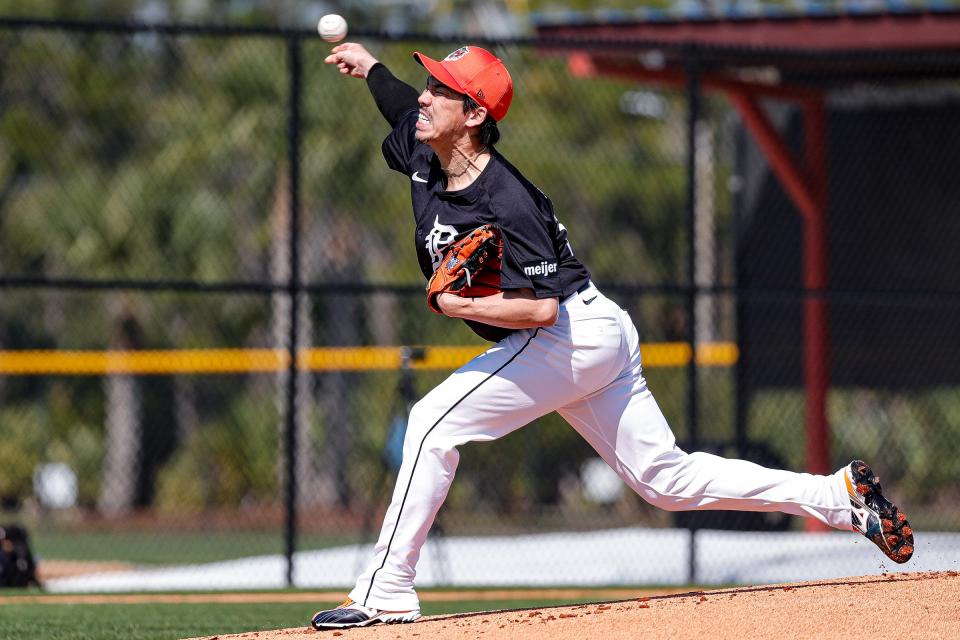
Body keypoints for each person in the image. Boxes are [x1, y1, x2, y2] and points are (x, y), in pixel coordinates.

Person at [311, 43, 914, 630]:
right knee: (667, 481)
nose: (426, 97)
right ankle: (839, 497)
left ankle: (387, 589)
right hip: (593, 333)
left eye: (444, 90)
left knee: (431, 425)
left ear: (474, 115)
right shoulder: (425, 152)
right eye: (430, 83)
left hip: (569, 332)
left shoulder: (507, 198)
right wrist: (370, 67)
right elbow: (398, 104)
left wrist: (458, 303)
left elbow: (542, 310)